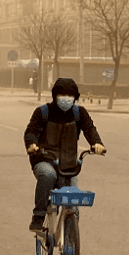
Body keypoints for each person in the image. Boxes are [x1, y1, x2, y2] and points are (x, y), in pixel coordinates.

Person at [23, 78, 106, 231]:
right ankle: (38, 217)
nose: (66, 98)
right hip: (44, 159)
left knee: (73, 203)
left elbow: (90, 129)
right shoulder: (43, 112)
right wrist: (32, 144)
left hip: (68, 164)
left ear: (75, 97)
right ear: (55, 95)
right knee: (48, 175)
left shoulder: (79, 113)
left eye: (70, 95)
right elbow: (31, 131)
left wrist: (97, 143)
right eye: (62, 94)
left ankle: (70, 237)